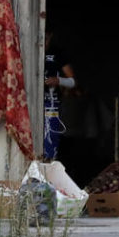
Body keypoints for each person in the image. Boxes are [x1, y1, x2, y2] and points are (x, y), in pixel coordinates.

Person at [43, 31, 76, 161]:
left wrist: (58, 81)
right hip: (31, 104)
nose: (44, 41)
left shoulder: (58, 53)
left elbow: (73, 82)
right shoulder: (29, 49)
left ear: (50, 36)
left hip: (52, 103)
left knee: (51, 139)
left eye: (46, 37)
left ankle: (50, 168)